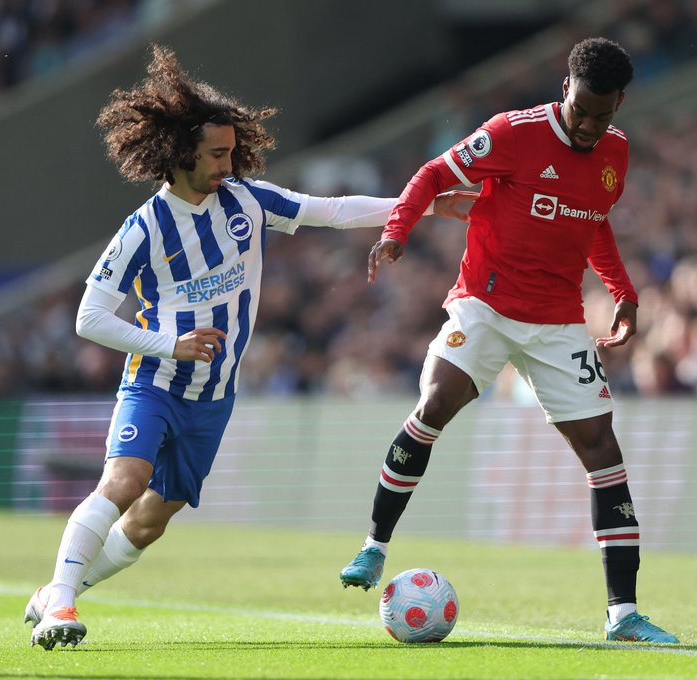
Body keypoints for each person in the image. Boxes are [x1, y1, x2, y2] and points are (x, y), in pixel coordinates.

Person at [24, 44, 475, 651]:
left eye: (232, 152)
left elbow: (332, 211)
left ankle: (53, 591)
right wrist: (170, 345)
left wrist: (416, 207)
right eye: (217, 153)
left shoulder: (246, 200)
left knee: (151, 522)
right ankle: (62, 603)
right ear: (181, 152)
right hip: (156, 382)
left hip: (214, 396)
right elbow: (89, 318)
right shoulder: (145, 228)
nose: (228, 163)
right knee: (125, 480)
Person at [339, 37, 679, 644]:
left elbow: (592, 223)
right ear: (565, 89)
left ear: (620, 103)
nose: (589, 125)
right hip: (485, 305)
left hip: (558, 321)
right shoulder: (512, 133)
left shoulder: (615, 154)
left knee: (604, 452)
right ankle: (373, 547)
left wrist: (622, 290)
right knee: (433, 407)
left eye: (603, 115)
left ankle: (623, 616)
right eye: (580, 110)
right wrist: (398, 230)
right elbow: (433, 173)